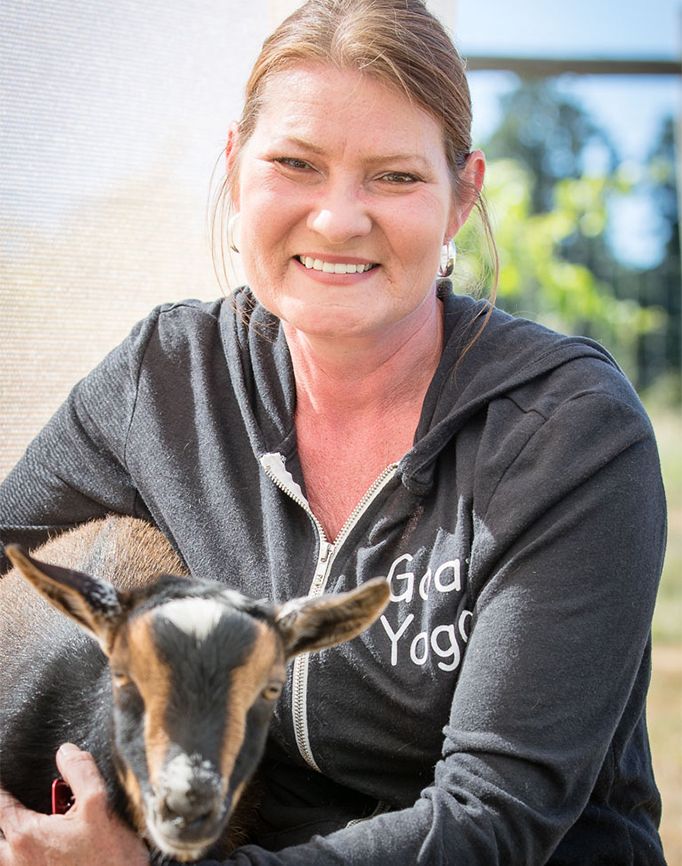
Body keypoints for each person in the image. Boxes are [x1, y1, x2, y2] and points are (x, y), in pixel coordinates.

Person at [0, 0, 667, 863]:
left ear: (463, 197)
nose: (339, 219)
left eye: (395, 177)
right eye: (296, 164)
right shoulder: (167, 378)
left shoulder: (569, 438)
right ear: (237, 169)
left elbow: (497, 818)